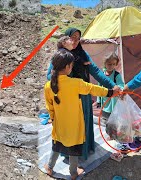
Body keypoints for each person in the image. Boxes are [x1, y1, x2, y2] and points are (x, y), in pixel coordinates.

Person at [46, 27, 120, 160]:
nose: (75, 41)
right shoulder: (60, 56)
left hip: (83, 96)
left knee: (82, 125)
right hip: (67, 99)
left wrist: (113, 86)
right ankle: (68, 153)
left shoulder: (83, 54)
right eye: (72, 37)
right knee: (68, 126)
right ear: (65, 38)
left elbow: (96, 72)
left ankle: (82, 151)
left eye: (77, 38)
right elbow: (48, 76)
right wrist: (69, 82)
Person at [44, 49, 118, 179]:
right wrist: (111, 92)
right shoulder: (75, 83)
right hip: (75, 124)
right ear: (67, 67)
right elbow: (93, 89)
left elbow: (49, 106)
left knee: (57, 145)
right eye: (71, 65)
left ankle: (49, 168)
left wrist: (53, 119)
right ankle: (73, 173)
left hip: (59, 124)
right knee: (73, 148)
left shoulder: (48, 85)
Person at [95, 53, 124, 122]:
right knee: (105, 118)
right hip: (105, 100)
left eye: (114, 64)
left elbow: (121, 85)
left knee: (114, 118)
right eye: (109, 64)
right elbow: (99, 87)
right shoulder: (102, 75)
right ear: (105, 64)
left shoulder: (116, 75)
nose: (111, 66)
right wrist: (98, 100)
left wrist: (119, 89)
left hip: (113, 101)